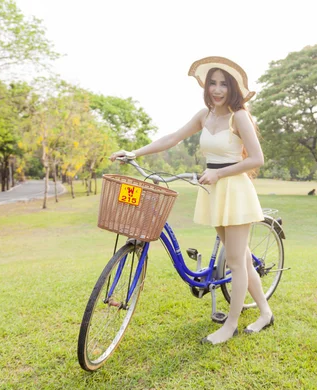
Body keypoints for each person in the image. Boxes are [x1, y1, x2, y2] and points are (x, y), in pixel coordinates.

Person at [110, 56, 274, 345]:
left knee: (236, 262)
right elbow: (172, 138)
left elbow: (257, 159)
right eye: (213, 82)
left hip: (234, 190)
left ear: (233, 87)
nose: (217, 89)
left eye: (224, 83)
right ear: (206, 85)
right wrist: (135, 153)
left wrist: (219, 173)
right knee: (243, 259)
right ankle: (265, 312)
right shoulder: (205, 115)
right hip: (213, 190)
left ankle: (230, 325)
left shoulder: (239, 116)